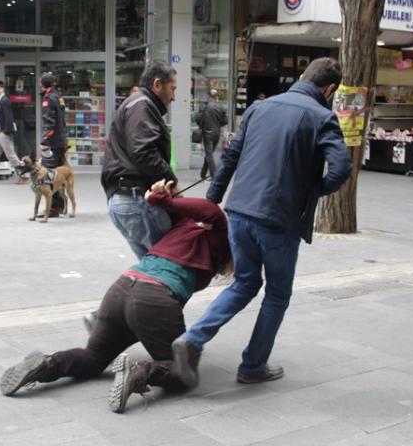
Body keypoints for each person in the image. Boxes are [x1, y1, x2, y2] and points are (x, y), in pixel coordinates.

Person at [171, 58, 353, 388]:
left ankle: (192, 339)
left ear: (301, 77)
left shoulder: (259, 108)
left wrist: (211, 201)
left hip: (239, 212)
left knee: (244, 283)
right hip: (278, 221)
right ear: (329, 90)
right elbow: (341, 169)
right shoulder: (323, 117)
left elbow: (230, 157)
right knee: (277, 295)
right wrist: (310, 192)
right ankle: (253, 365)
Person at [0, 180, 231, 414]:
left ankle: (48, 364)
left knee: (93, 357)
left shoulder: (182, 226)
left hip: (120, 290)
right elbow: (211, 211)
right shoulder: (222, 237)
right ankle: (140, 372)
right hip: (154, 299)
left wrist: (164, 197)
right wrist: (163, 199)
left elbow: (191, 212)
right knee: (183, 375)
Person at [101, 61, 178, 259]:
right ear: (158, 84)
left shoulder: (136, 103)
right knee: (168, 264)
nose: (174, 97)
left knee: (152, 269)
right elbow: (144, 151)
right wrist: (172, 182)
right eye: (172, 88)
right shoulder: (142, 105)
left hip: (126, 200)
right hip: (136, 200)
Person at [38, 73, 68, 217]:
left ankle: (53, 207)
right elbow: (62, 121)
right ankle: (61, 205)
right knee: (59, 174)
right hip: (60, 141)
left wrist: (44, 141)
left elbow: (50, 122)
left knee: (50, 175)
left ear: (43, 84)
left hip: (53, 143)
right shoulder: (58, 96)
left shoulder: (49, 99)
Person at [195, 88, 228, 180]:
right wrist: (218, 125)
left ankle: (214, 175)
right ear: (216, 97)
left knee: (209, 154)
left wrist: (202, 125)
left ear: (208, 96)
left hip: (207, 133)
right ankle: (203, 173)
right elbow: (225, 120)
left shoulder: (204, 106)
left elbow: (197, 118)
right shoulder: (221, 107)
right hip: (217, 133)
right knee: (209, 153)